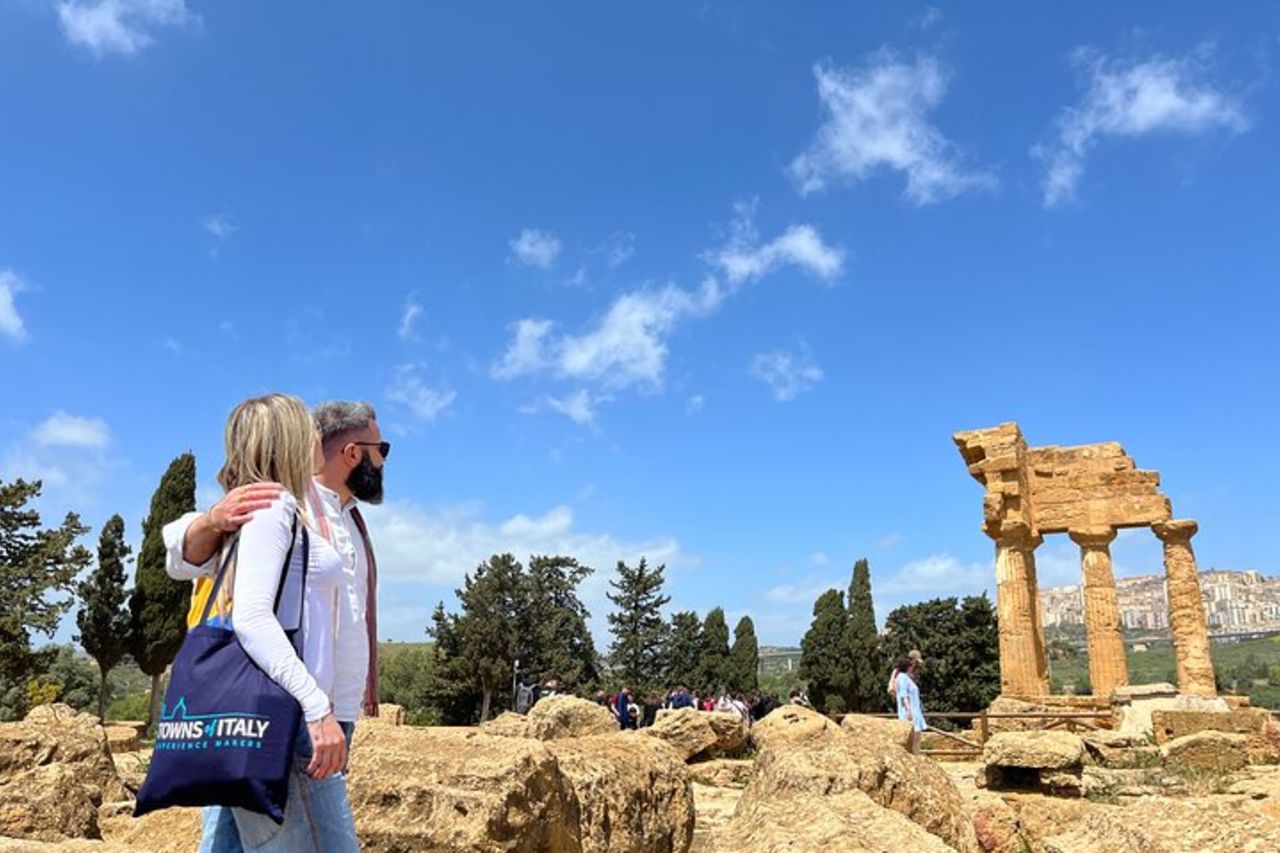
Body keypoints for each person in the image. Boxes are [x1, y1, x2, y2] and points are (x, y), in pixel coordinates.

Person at [164, 399, 388, 852]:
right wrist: (210, 520)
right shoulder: (277, 502)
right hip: (281, 710)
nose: (384, 458)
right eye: (381, 447)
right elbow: (196, 563)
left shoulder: (347, 518)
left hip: (317, 708)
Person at [895, 655, 927, 754]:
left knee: (916, 740)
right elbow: (903, 695)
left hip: (915, 712)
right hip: (910, 713)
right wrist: (908, 710)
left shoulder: (906, 677)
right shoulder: (902, 677)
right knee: (912, 741)